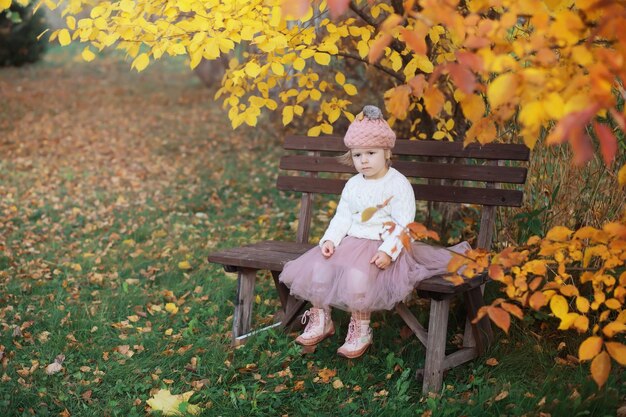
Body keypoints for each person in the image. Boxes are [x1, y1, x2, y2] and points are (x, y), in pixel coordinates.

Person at [279, 105, 470, 359]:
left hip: (385, 247)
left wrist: (388, 252)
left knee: (357, 277)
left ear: (387, 152)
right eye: (357, 155)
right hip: (352, 244)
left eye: (371, 153)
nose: (364, 160)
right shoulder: (353, 184)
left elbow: (404, 224)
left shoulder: (397, 184)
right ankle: (321, 319)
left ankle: (361, 329)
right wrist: (330, 240)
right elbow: (342, 217)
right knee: (319, 268)